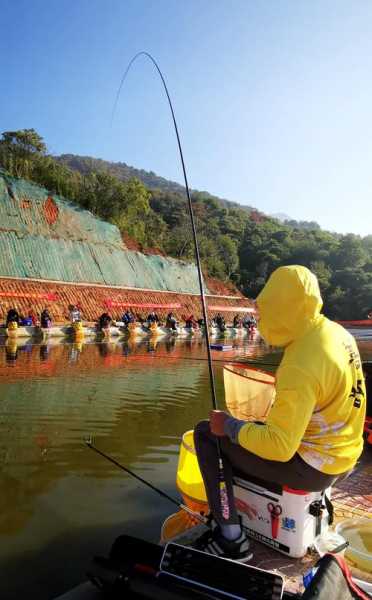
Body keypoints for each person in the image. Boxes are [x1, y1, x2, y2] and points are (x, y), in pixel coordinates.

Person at [193, 265, 366, 560]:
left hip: (314, 467)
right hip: (346, 457)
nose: (262, 320)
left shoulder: (300, 362)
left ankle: (230, 538)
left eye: (266, 312)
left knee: (207, 435)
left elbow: (280, 447)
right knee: (248, 427)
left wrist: (230, 427)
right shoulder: (336, 333)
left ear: (284, 309)